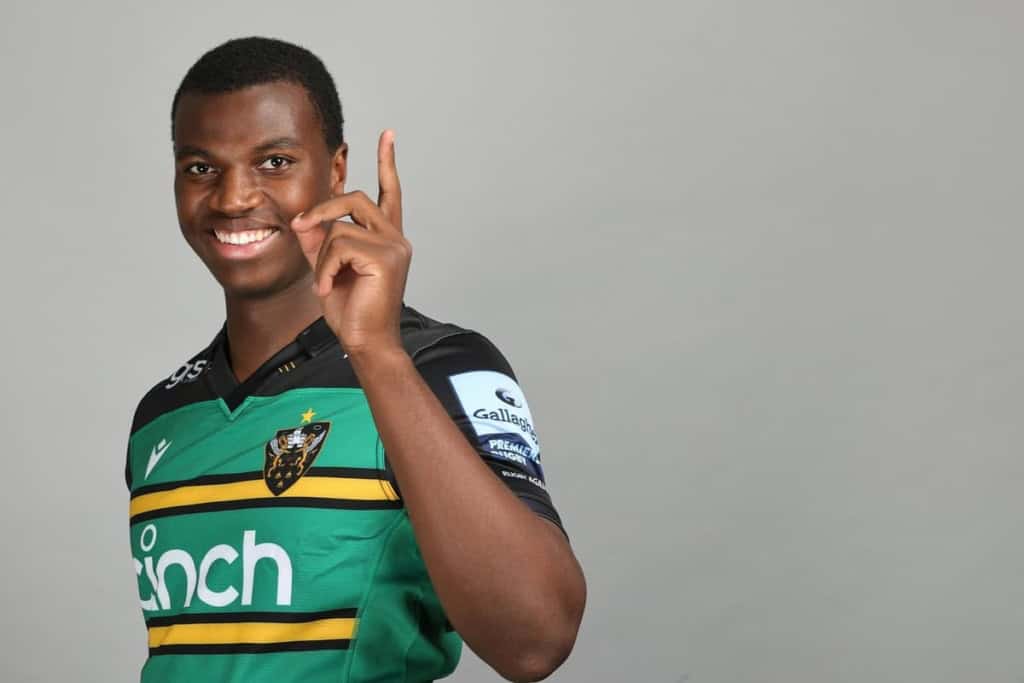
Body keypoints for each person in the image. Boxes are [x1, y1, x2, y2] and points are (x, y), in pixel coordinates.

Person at [123, 36, 586, 683]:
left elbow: (537, 639)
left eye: (274, 161)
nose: (232, 198)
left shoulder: (440, 365)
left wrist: (376, 352)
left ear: (336, 172)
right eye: (201, 167)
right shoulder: (161, 419)